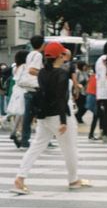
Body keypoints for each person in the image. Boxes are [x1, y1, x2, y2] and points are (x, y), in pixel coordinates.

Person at [10, 42, 91, 195]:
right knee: (70, 149)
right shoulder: (61, 73)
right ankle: (73, 180)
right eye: (63, 53)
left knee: (36, 147)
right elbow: (60, 98)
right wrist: (63, 121)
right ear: (59, 56)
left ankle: (20, 178)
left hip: (44, 116)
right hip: (59, 116)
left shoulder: (42, 72)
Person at [19, 35, 45, 149]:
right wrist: (44, 74)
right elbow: (32, 70)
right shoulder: (38, 55)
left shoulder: (30, 54)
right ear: (42, 44)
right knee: (43, 116)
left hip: (28, 89)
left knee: (28, 117)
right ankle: (44, 140)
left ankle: (25, 141)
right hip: (35, 89)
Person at [7, 50, 29, 148]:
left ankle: (14, 131)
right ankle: (19, 133)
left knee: (19, 114)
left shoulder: (15, 67)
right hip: (23, 91)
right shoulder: (24, 67)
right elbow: (24, 80)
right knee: (23, 114)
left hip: (16, 91)